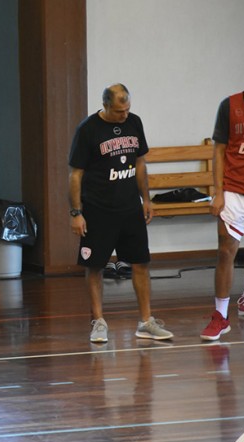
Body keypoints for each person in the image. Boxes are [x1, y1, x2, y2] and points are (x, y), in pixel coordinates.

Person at [68, 83, 174, 343]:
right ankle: (98, 322)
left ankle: (146, 322)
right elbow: (75, 175)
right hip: (98, 209)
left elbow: (140, 163)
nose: (124, 115)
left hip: (130, 208)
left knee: (141, 263)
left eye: (127, 109)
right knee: (95, 266)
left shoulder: (134, 123)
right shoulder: (88, 129)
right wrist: (76, 212)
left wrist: (146, 199)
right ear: (105, 105)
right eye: (119, 111)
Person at [201, 90, 244, 341]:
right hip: (234, 188)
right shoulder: (229, 106)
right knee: (225, 251)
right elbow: (218, 150)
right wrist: (218, 192)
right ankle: (220, 316)